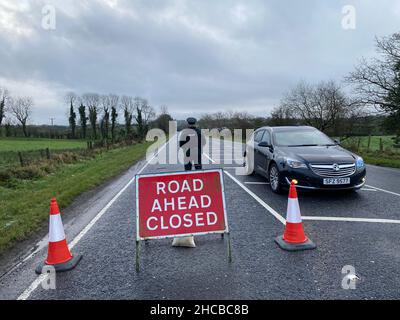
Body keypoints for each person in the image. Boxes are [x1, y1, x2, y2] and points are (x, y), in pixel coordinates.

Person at [172, 117, 206, 248]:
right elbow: (203, 142)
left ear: (187, 123)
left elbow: (180, 144)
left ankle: (188, 185)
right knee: (198, 168)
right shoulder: (199, 131)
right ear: (195, 123)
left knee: (187, 170)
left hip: (187, 152)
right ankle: (198, 184)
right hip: (197, 152)